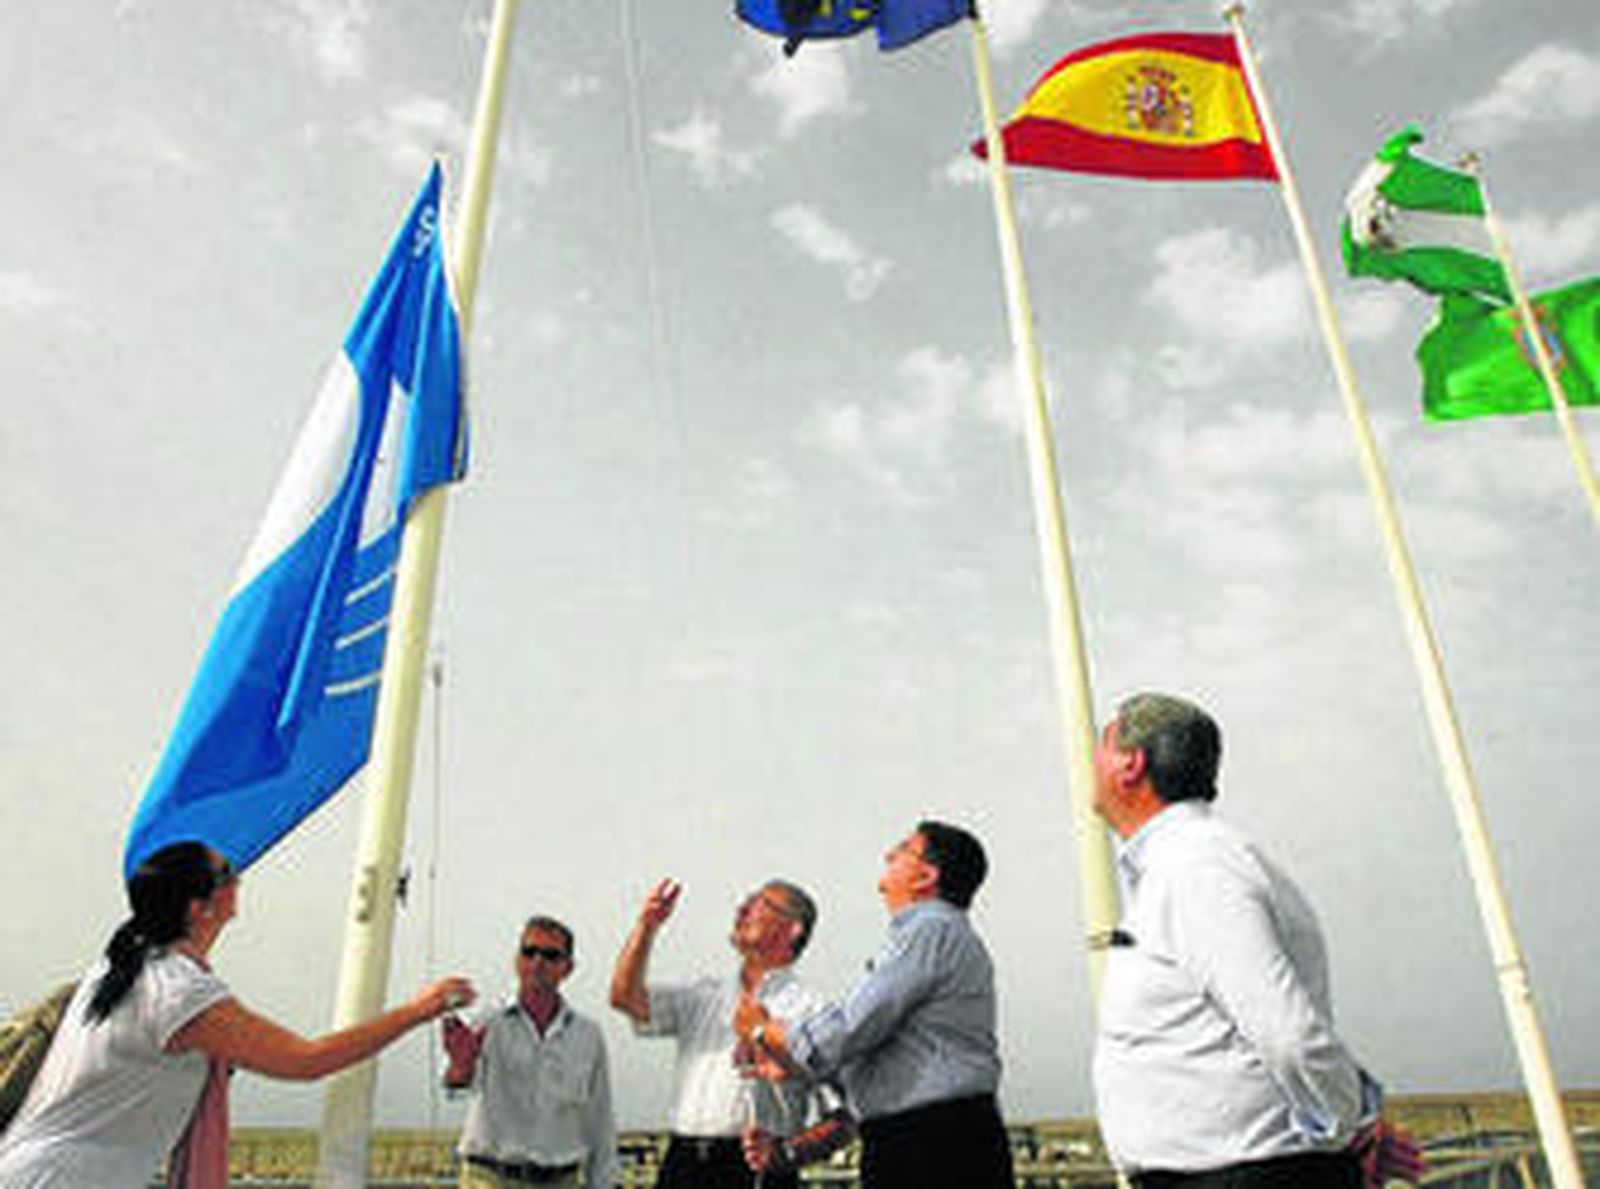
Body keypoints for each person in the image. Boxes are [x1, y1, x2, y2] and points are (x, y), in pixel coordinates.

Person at [1090, 692, 1424, 1189]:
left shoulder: (1197, 867)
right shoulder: (1186, 865)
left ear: (1130, 765)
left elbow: (1287, 1032)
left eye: (1101, 746)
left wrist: (1356, 1129)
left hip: (1245, 1176)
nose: (1089, 763)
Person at [0, 840, 474, 1189]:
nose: (239, 875)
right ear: (200, 907)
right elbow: (306, 1060)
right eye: (226, 870)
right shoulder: (177, 992)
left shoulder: (120, 969)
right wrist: (419, 1009)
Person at [733, 820, 1014, 1189]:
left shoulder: (930, 931)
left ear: (925, 876)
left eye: (902, 850)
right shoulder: (924, 938)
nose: (889, 855)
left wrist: (762, 1029)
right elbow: (877, 1052)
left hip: (934, 1145)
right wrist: (793, 1064)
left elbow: (850, 1028)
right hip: (917, 1140)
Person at [609, 878, 852, 1189]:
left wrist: (788, 1154)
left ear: (794, 929)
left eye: (761, 904)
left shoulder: (812, 1011)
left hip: (757, 1170)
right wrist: (647, 927)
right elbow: (624, 998)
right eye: (746, 901)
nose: (742, 908)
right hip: (682, 1164)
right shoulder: (703, 995)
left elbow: (844, 1119)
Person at [442, 915, 618, 1189]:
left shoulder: (588, 1035)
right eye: (529, 952)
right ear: (517, 960)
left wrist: (605, 1182)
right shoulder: (485, 1022)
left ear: (567, 967)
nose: (537, 962)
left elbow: (600, 1118)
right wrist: (461, 1065)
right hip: (490, 1176)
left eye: (550, 955)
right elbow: (454, 1086)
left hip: (561, 1179)